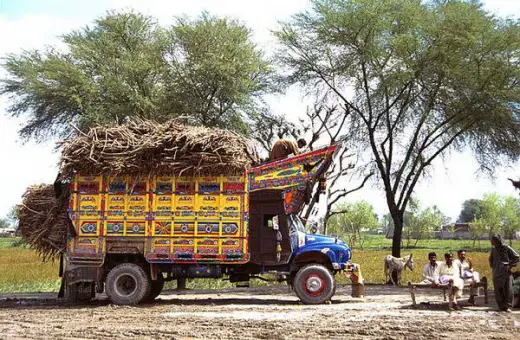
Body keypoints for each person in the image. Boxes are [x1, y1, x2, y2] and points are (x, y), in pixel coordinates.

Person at [489, 233, 520, 312]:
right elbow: (491, 259)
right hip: (496, 273)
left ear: (498, 240)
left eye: (493, 240)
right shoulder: (493, 249)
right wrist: (494, 265)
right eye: (492, 240)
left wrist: (510, 265)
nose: (492, 242)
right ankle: (501, 306)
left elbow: (516, 257)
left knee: (508, 290)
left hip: (506, 272)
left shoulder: (506, 248)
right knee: (498, 290)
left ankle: (508, 306)